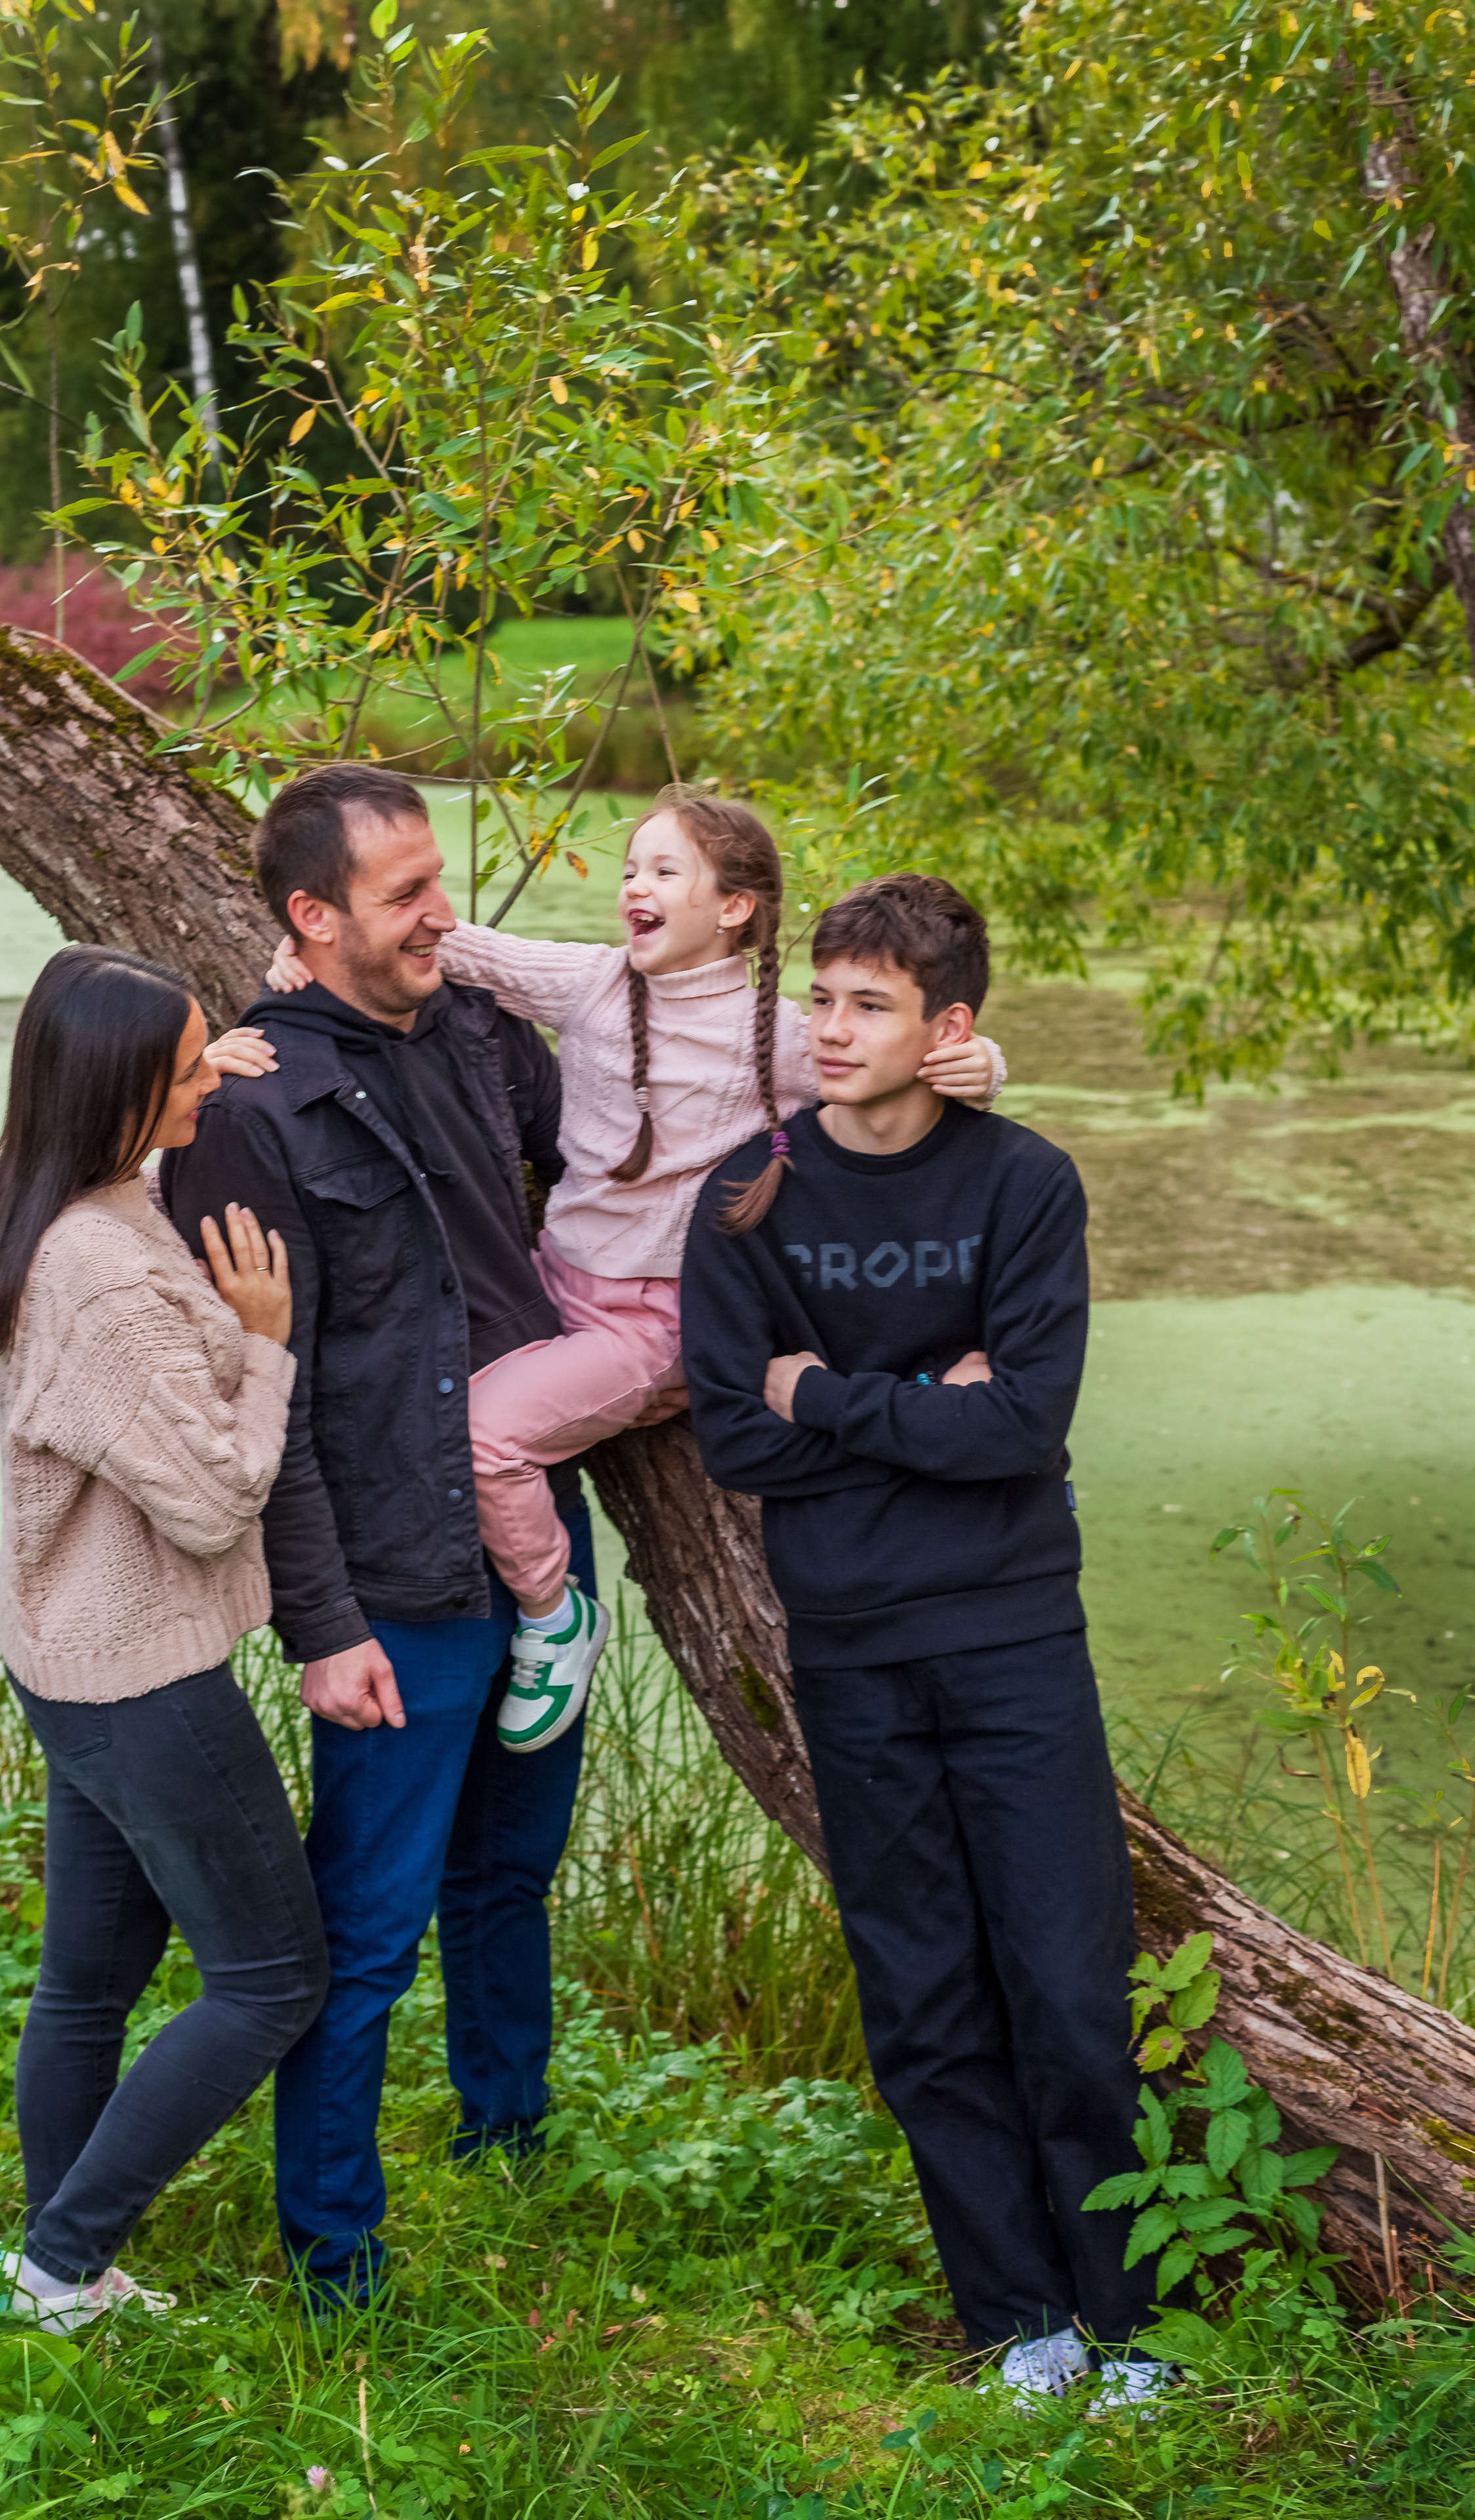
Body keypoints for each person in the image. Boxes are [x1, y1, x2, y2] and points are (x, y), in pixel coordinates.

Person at [679, 872, 1166, 2410]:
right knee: (923, 1993)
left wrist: (820, 1394)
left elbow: (1024, 1424)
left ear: (946, 1026)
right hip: (852, 1643)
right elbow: (724, 1440)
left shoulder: (1022, 1183)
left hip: (1015, 1633)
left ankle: (1125, 2321)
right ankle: (1012, 2317)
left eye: (866, 1004)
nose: (827, 1029)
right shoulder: (745, 1192)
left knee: (1072, 1990)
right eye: (818, 998)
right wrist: (921, 1412)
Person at [260, 784, 1007, 1755]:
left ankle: (551, 1614)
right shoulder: (589, 985)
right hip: (557, 1287)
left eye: (665, 871)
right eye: (629, 870)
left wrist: (982, 1064)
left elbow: (890, 1064)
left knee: (482, 1435)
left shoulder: (776, 1035)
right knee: (450, 1404)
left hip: (655, 1326)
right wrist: (297, 955)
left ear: (734, 907)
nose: (634, 888)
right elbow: (444, 944)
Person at [157, 763, 600, 2317]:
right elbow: (252, 1393)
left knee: (511, 1871)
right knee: (366, 1924)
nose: (440, 913)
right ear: (309, 916)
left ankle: (509, 2138)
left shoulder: (488, 1035)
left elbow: (632, 1145)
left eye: (437, 879)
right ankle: (332, 2246)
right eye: (405, 893)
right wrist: (322, 1620)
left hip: (535, 1538)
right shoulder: (250, 1102)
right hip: (390, 1575)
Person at [0, 943, 325, 2334]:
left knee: (88, 1982)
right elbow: (218, 1499)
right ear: (111, 1091)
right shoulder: (100, 1278)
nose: (201, 1094)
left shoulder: (58, 1196)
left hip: (71, 1663)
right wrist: (266, 1342)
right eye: (179, 1076)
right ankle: (58, 2266)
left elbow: (149, 1163)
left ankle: (61, 2277)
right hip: (143, 1675)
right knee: (273, 1976)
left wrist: (226, 1041)